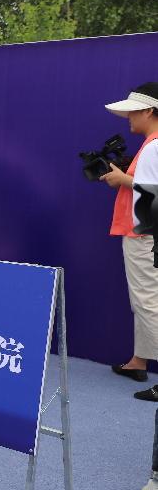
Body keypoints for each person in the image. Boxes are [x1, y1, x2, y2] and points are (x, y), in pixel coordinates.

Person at [99, 82, 158, 388]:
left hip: (144, 234)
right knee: (146, 300)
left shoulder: (154, 146)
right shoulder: (152, 145)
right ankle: (139, 361)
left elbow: (153, 192)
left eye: (133, 112)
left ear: (149, 111)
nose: (129, 118)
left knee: (147, 301)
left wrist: (123, 179)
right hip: (145, 232)